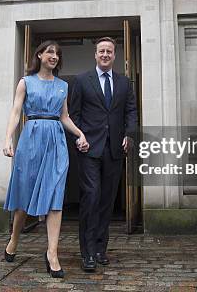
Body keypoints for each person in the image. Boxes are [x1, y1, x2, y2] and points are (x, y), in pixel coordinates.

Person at [2, 40, 89, 279]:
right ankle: (14, 239)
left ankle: (52, 254)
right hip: (31, 139)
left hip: (56, 143)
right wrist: (8, 138)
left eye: (57, 54)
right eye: (50, 52)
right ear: (39, 55)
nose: (54, 56)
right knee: (24, 198)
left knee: (55, 196)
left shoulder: (63, 86)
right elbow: (16, 111)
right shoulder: (25, 82)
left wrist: (80, 133)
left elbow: (64, 117)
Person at [70, 36, 137, 272]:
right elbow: (73, 114)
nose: (105, 55)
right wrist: (79, 137)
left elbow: (131, 111)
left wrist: (129, 135)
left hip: (114, 151)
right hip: (89, 150)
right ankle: (87, 252)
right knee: (92, 196)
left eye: (109, 51)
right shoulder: (81, 81)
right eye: (101, 51)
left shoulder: (123, 83)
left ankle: (100, 249)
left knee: (107, 201)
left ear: (114, 55)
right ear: (95, 55)